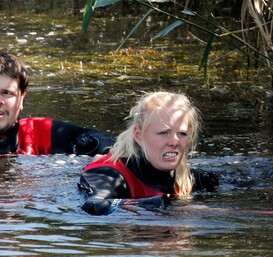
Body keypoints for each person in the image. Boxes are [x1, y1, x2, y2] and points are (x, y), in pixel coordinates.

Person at [78, 91, 218, 215]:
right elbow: (93, 205)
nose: (174, 142)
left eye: (182, 133)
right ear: (139, 136)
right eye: (164, 133)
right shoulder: (108, 174)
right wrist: (170, 207)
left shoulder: (190, 178)